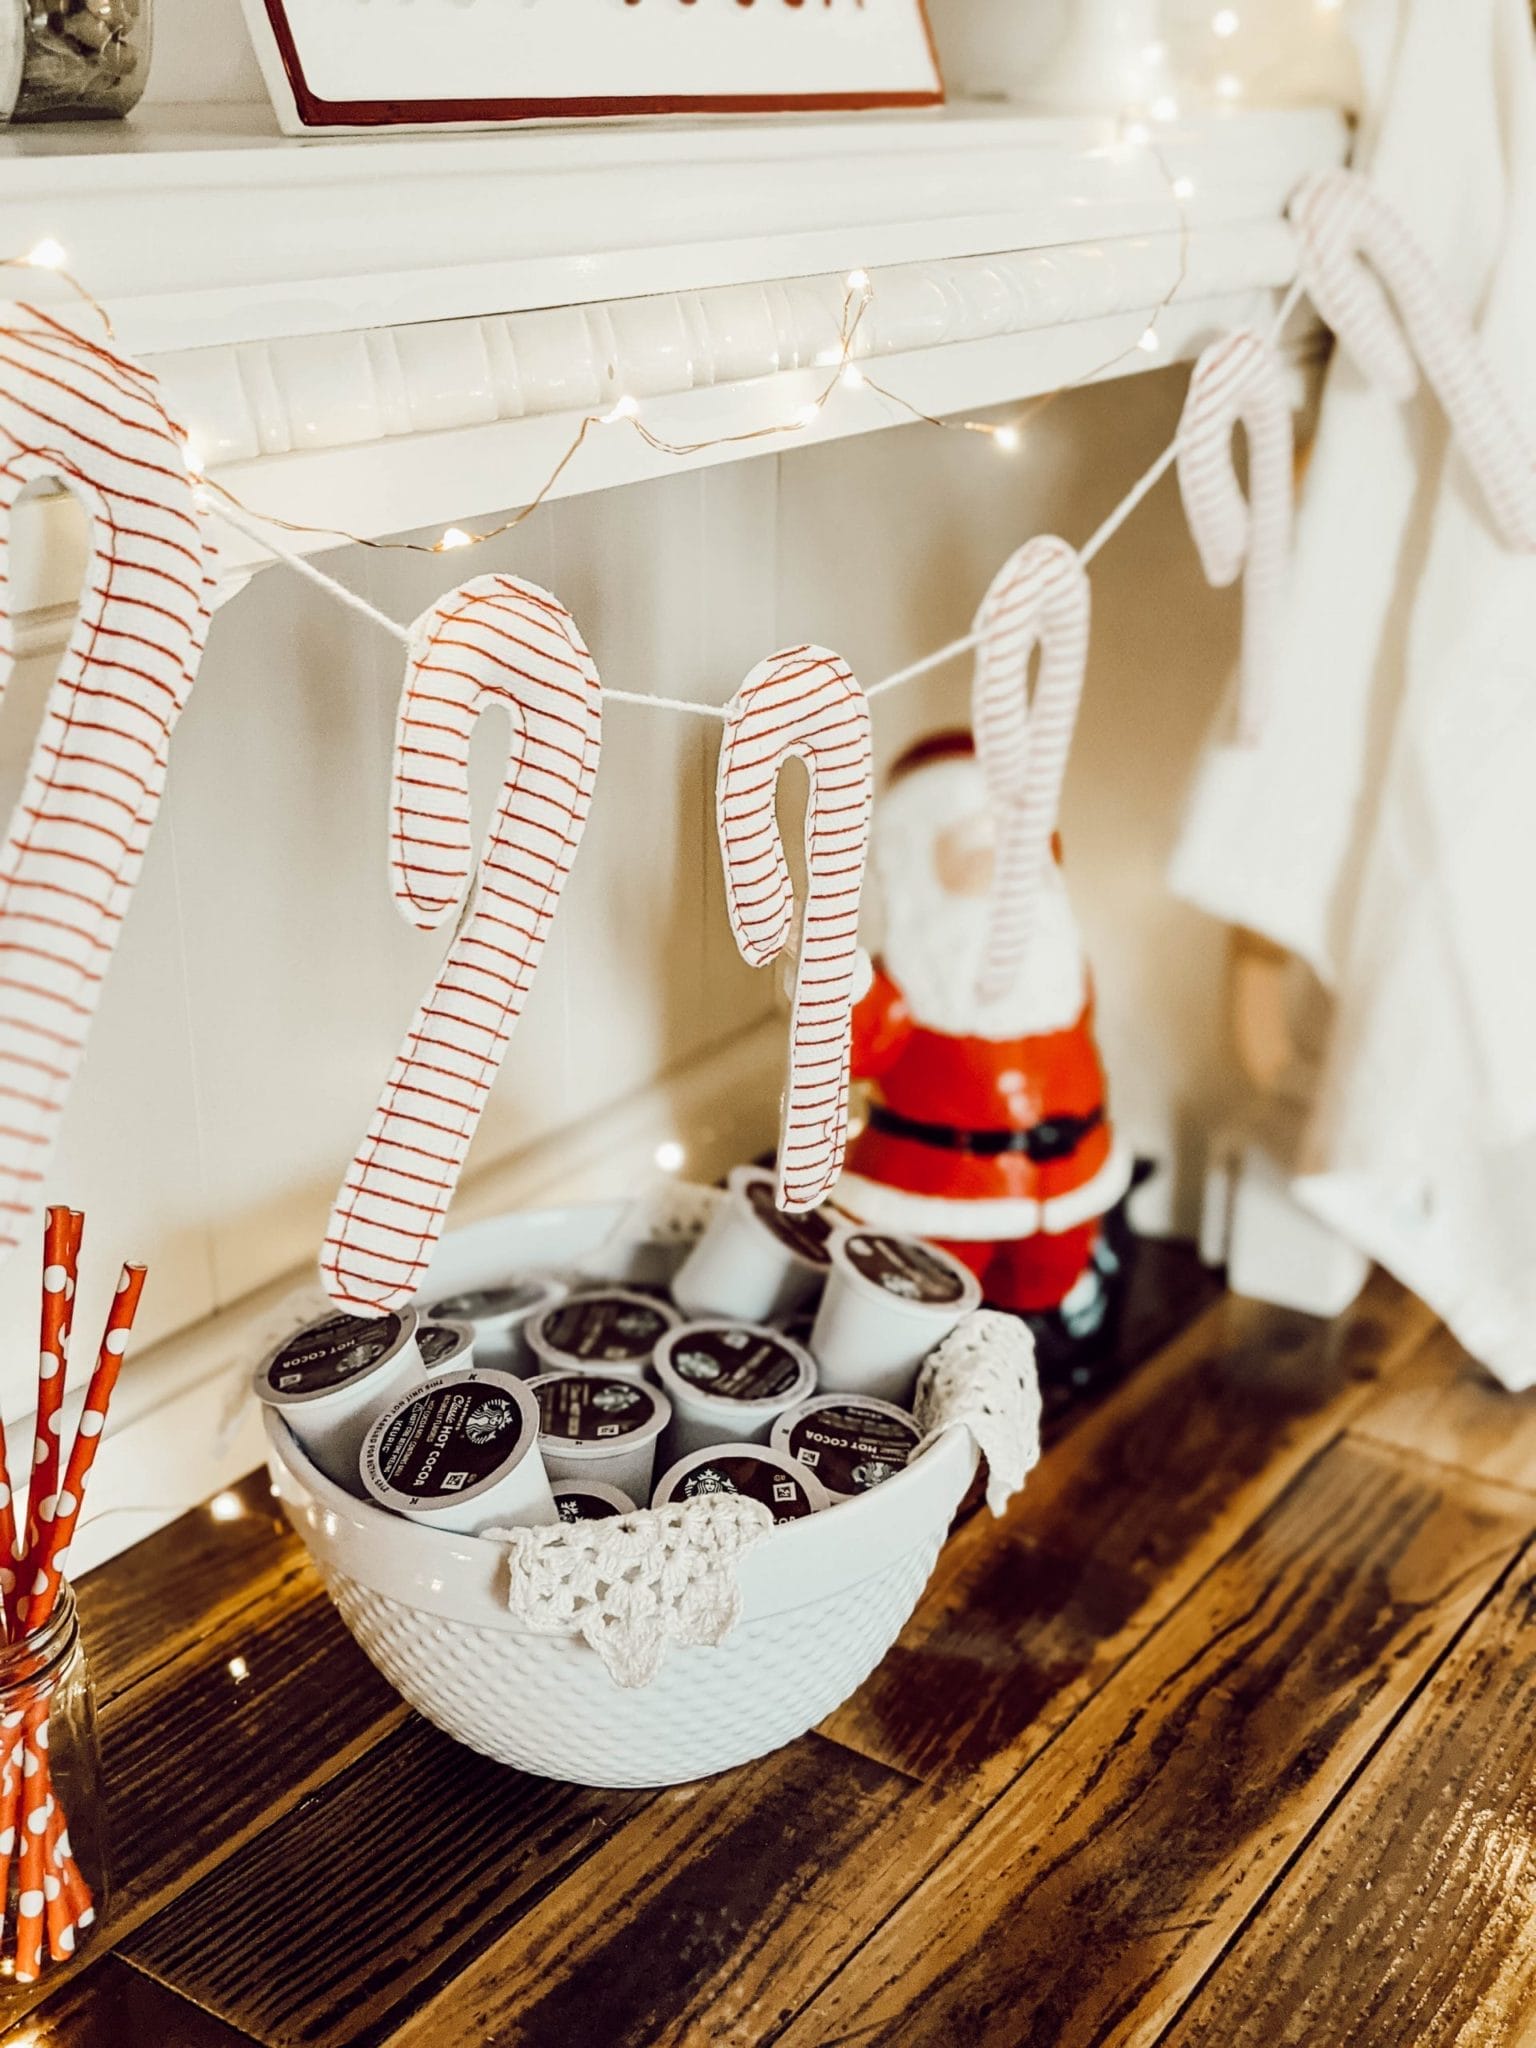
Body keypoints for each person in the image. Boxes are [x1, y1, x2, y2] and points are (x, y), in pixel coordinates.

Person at [837, 731, 1132, 1356]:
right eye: (980, 852)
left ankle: (1048, 1336)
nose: (1011, 872)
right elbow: (856, 1053)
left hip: (1069, 1178)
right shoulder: (907, 985)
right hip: (941, 1192)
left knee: (1050, 1275)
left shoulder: (1060, 961)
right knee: (935, 1290)